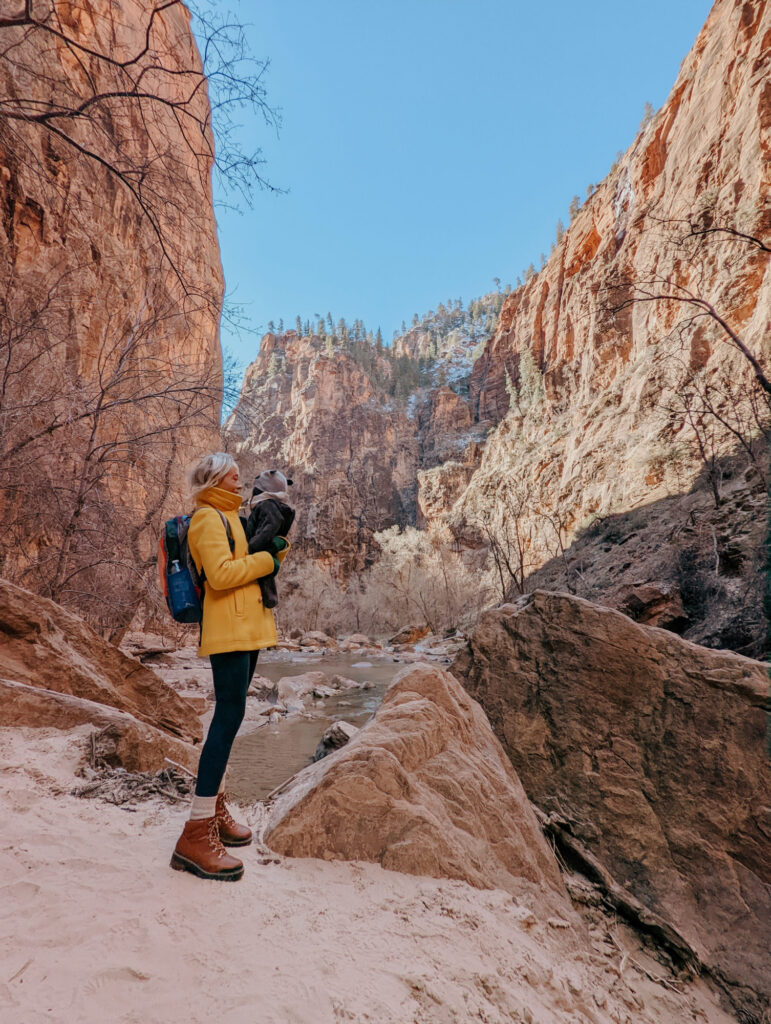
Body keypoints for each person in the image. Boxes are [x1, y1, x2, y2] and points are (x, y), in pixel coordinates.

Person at [170, 452, 290, 881]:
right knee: (227, 718)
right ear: (217, 480)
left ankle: (215, 810)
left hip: (248, 627)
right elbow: (220, 576)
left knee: (232, 716)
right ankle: (196, 832)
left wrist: (275, 548)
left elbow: (256, 555)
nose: (242, 486)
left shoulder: (230, 518)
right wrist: (267, 562)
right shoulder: (206, 520)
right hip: (229, 631)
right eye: (235, 478)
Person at [244, 469, 295, 608]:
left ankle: (270, 598)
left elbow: (272, 523)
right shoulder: (275, 505)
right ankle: (269, 598)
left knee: (262, 577)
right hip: (265, 551)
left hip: (259, 550)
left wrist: (253, 544)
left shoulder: (267, 505)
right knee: (265, 577)